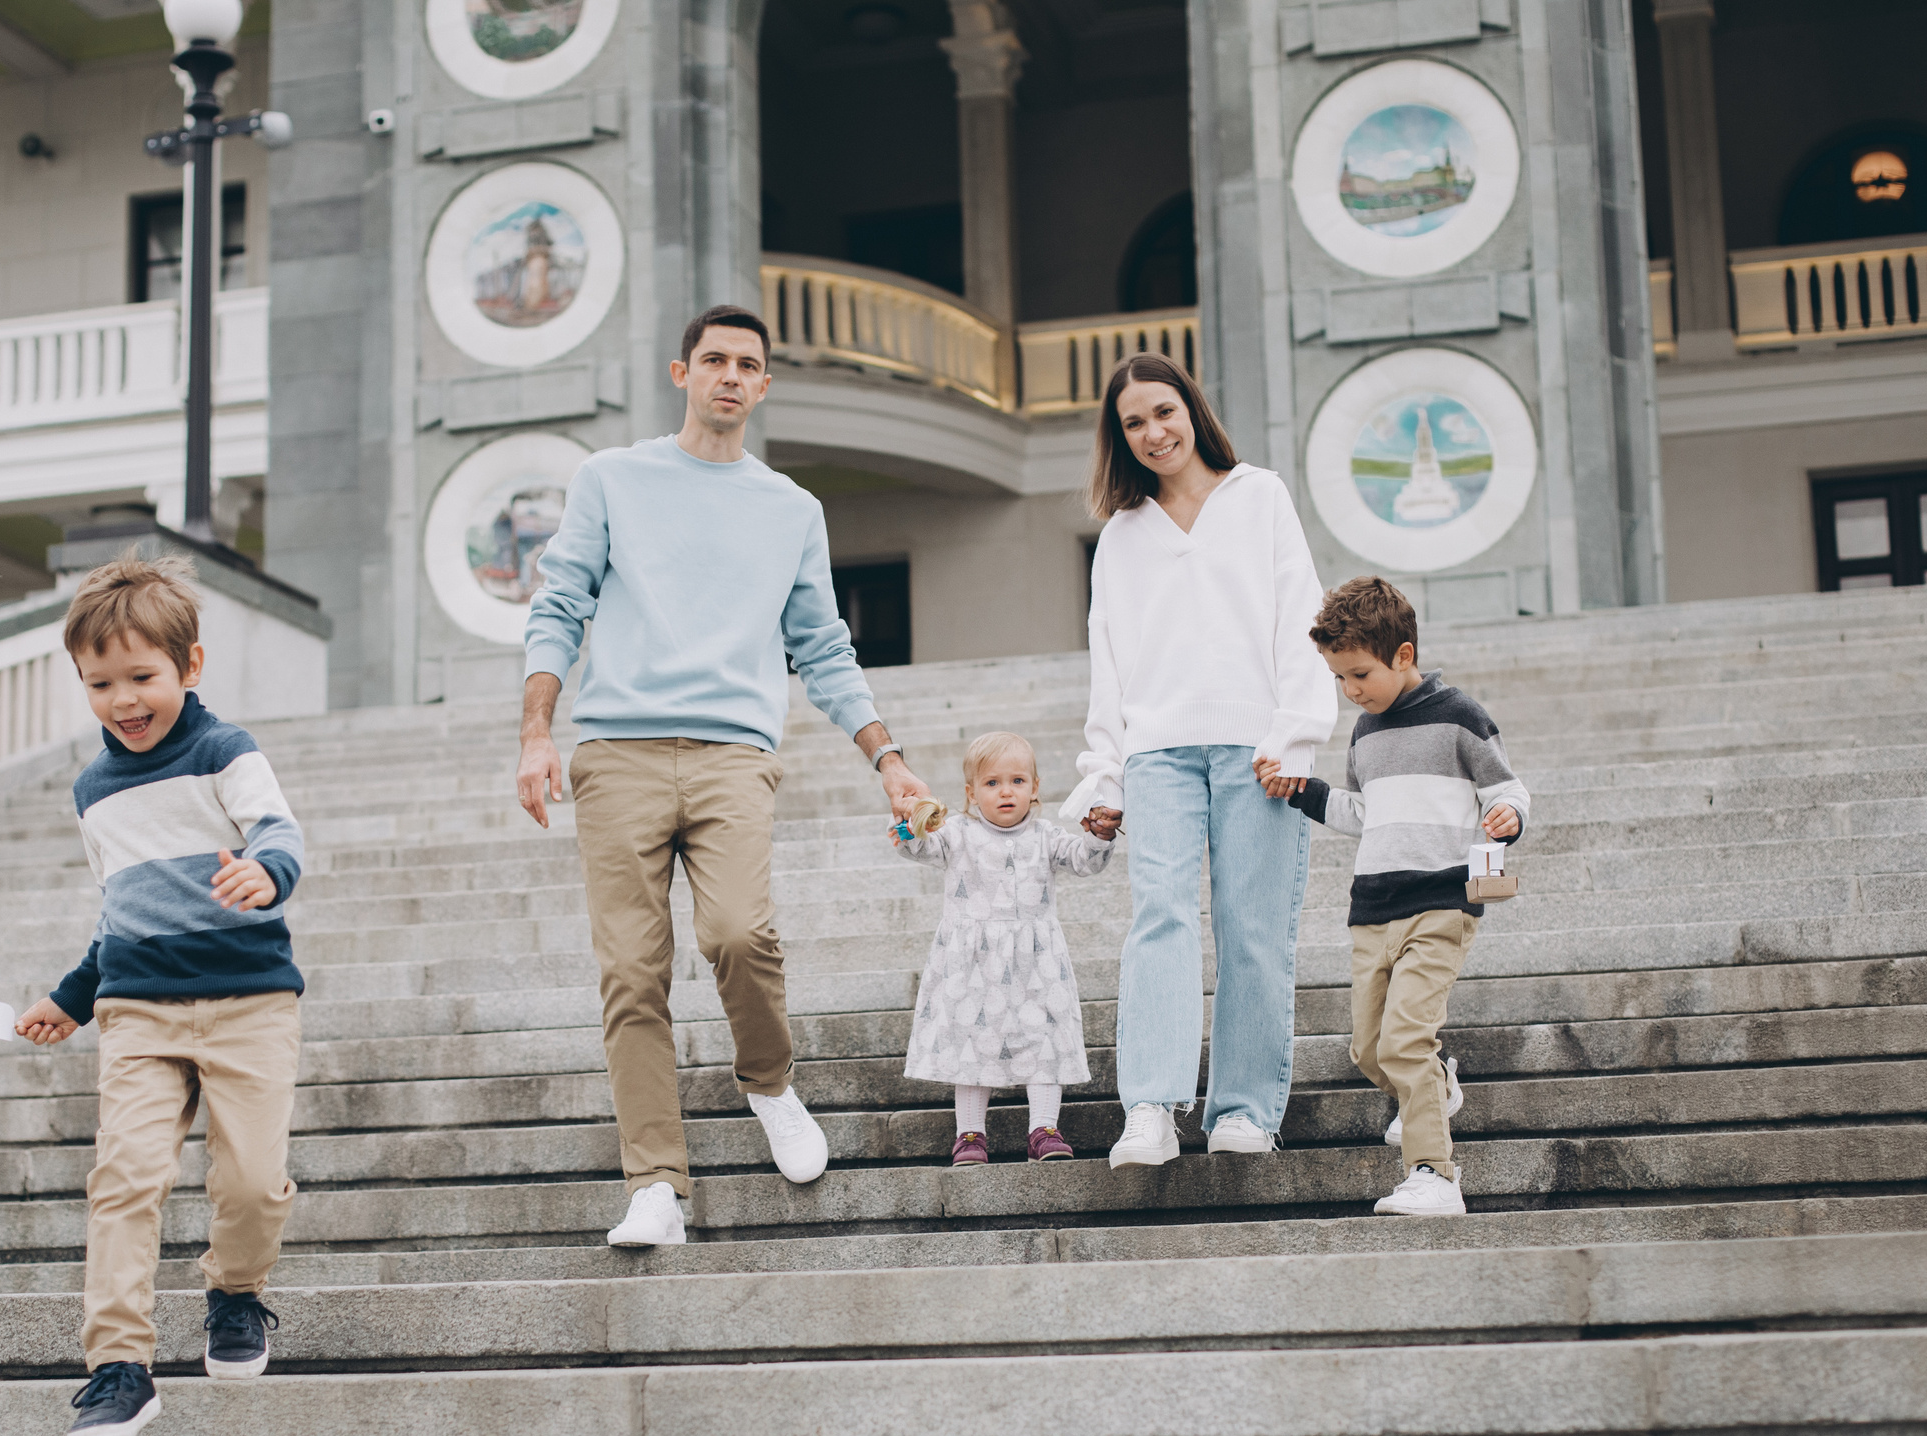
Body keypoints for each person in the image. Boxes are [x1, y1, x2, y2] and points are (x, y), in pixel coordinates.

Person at [517, 305, 934, 1248]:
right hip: (616, 751)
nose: (731, 376)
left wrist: (890, 760)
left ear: (764, 385)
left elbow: (822, 645)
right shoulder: (613, 479)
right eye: (715, 360)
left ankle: (770, 1081)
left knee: (740, 933)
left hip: (732, 755)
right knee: (631, 971)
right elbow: (561, 601)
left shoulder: (790, 508)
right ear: (682, 372)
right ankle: (656, 1183)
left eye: (748, 364)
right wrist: (537, 731)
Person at [12, 556, 307, 1436]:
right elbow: (118, 914)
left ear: (190, 665)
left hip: (249, 998)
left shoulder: (225, 750)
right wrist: (73, 999)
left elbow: (279, 830)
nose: (123, 700)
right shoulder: (93, 790)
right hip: (139, 1010)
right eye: (100, 684)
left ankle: (235, 1291)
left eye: (142, 677)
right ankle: (120, 1366)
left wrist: (267, 871)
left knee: (251, 1179)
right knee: (125, 1179)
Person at [1060, 353, 1340, 1167]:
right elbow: (1106, 654)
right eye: (1133, 423)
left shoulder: (1261, 497)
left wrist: (1296, 733)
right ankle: (1150, 1106)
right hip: (1157, 751)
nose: (1152, 432)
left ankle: (1246, 1110)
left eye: (1162, 412)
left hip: (1259, 751)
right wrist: (1103, 770)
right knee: (1162, 921)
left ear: (1192, 407)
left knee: (1255, 930)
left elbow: (1301, 619)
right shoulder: (1121, 533)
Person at [1270, 575, 1528, 1217]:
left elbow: (1507, 790)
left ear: (1403, 655)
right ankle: (1435, 1089)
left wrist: (1508, 819)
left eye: (1360, 674)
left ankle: (1434, 1175)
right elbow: (1361, 811)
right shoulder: (1364, 733)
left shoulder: (1460, 717)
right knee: (1369, 1048)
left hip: (1441, 903)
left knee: (1407, 1042)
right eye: (1340, 680)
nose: (1352, 690)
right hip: (1373, 910)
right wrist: (1301, 790)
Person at [892, 731, 1113, 1165]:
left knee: (1044, 1036)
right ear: (972, 794)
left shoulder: (1047, 836)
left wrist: (1099, 837)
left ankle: (1044, 1129)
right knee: (973, 1042)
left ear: (1034, 789)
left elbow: (1085, 862)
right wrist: (908, 822)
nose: (1006, 791)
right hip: (970, 963)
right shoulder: (957, 833)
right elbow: (920, 847)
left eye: (1017, 781)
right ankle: (970, 1134)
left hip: (1037, 961)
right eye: (992, 783)